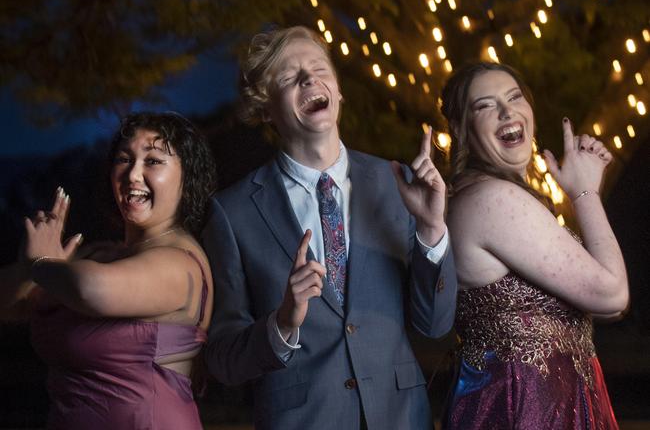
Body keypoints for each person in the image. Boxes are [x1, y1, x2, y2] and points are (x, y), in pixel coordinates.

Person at [201, 25, 457, 429]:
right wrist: (282, 322)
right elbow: (223, 360)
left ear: (337, 91)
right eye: (289, 77)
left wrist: (431, 229)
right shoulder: (232, 214)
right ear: (266, 109)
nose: (309, 79)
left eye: (319, 69)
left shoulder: (398, 185)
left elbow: (435, 324)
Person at [439, 62, 628, 429]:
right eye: (485, 105)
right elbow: (612, 294)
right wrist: (585, 192)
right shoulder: (493, 199)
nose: (508, 111)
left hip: (552, 403)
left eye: (514, 97)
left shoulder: (493, 195)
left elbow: (603, 310)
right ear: (462, 129)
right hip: (523, 408)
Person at [0, 112, 216, 429]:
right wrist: (28, 268)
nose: (132, 175)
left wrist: (41, 265)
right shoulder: (100, 254)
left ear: (187, 176)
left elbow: (92, 291)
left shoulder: (181, 262)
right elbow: (8, 304)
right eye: (123, 159)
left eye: (153, 161)